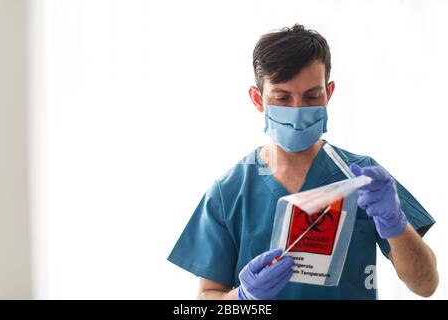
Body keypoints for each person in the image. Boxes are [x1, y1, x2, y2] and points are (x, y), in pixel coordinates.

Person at [167, 24, 438, 300]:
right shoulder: (230, 192)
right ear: (258, 99)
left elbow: (426, 285)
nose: (298, 110)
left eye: (312, 96)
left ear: (329, 94)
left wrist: (395, 222)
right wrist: (242, 297)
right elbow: (207, 297)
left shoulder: (363, 178)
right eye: (282, 98)